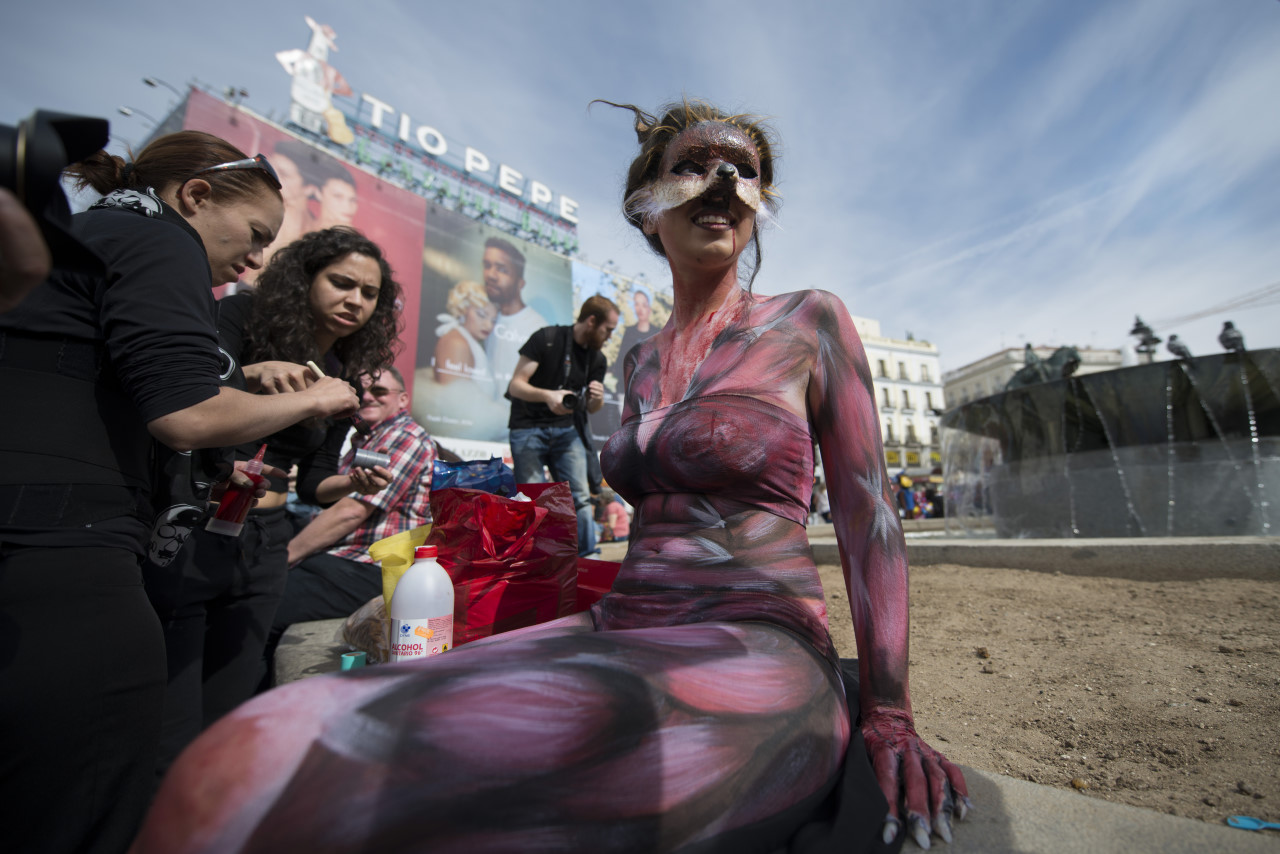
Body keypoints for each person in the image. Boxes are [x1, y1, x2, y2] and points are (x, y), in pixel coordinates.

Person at [137, 100, 968, 853]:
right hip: (620, 622)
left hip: (756, 639)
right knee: (249, 748)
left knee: (311, 788)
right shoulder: (637, 361)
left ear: (760, 204)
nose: (722, 181)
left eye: (744, 170)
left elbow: (869, 517)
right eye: (694, 165)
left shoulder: (809, 319)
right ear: (647, 207)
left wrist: (890, 711)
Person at [0, 130, 361, 854]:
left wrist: (246, 381)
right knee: (97, 794)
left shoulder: (98, 233)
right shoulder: (162, 243)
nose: (256, 257)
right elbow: (186, 415)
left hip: (37, 540)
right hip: (70, 549)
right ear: (195, 196)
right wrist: (316, 398)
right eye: (255, 233)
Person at [154, 226, 402, 777]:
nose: (355, 301)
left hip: (266, 543)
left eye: (369, 294)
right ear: (305, 278)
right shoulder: (240, 321)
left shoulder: (341, 374)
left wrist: (351, 486)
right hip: (195, 529)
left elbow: (312, 480)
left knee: (233, 705)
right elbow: (181, 403)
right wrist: (250, 375)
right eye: (341, 283)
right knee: (171, 716)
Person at [263, 366, 435, 681]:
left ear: (402, 400)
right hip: (342, 561)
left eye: (380, 391)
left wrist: (284, 557)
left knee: (263, 605)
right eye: (362, 391)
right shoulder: (366, 440)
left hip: (371, 567)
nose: (368, 396)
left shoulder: (403, 435)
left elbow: (350, 512)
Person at [506, 294, 619, 557]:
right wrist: (548, 395)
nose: (610, 336)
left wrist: (598, 400)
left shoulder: (597, 359)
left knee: (578, 497)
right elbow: (515, 385)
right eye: (608, 329)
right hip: (527, 428)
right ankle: (535, 560)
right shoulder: (547, 338)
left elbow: (591, 408)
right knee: (532, 501)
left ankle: (587, 557)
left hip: (567, 431)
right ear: (592, 321)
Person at [481, 235, 546, 397]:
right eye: (487, 265)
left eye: (502, 269)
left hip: (515, 418)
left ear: (520, 283)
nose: (491, 275)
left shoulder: (538, 328)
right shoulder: (479, 316)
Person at [433, 278, 495, 389]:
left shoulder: (466, 341)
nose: (489, 325)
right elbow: (453, 401)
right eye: (481, 315)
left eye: (493, 320)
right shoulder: (457, 344)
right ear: (463, 309)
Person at [608, 286, 662, 393]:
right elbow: (621, 360)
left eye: (643, 304)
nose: (640, 308)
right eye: (636, 304)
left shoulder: (658, 334)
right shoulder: (629, 332)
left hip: (649, 392)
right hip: (626, 390)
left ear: (649, 308)